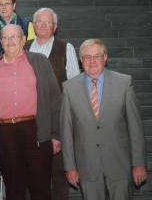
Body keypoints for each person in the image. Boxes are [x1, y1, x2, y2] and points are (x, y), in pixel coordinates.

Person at [61, 39, 147, 200]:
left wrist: (139, 163)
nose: (92, 61)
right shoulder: (69, 88)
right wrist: (70, 167)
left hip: (119, 165)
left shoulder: (124, 83)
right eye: (87, 57)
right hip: (87, 167)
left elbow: (135, 128)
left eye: (97, 56)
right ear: (80, 60)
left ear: (105, 57)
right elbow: (66, 132)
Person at [0, 24, 61, 200]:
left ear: (23, 40)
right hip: (4, 132)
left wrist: (55, 134)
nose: (10, 41)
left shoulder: (39, 61)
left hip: (35, 130)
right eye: (5, 37)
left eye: (14, 37)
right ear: (0, 42)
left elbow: (55, 98)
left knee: (40, 187)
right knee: (13, 188)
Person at [26, 7, 80, 200]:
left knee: (58, 173)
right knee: (30, 172)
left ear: (55, 27)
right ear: (33, 26)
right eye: (39, 22)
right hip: (29, 120)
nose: (42, 26)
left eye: (47, 22)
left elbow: (74, 85)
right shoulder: (24, 47)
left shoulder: (66, 48)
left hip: (58, 118)